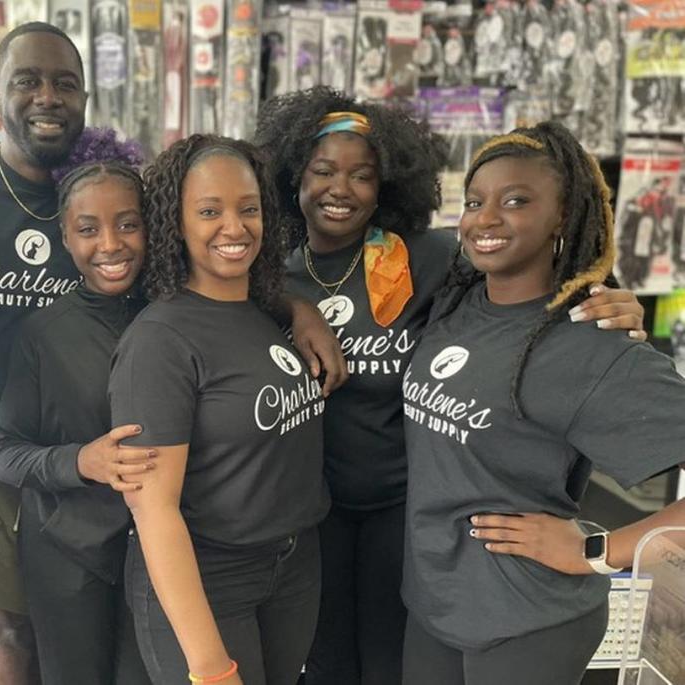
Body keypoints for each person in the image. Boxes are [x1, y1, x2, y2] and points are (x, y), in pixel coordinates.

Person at [0, 23, 343, 684]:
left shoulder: (155, 292)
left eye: (63, 83)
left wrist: (295, 304)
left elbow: (227, 269)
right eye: (27, 81)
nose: (110, 242)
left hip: (150, 530)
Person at [253, 86, 648, 685]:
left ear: (387, 186)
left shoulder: (427, 258)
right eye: (323, 171)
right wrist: (294, 306)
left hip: (406, 507)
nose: (341, 188)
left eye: (363, 175)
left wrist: (608, 296)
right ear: (291, 176)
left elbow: (530, 264)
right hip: (314, 507)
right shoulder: (267, 271)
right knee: (327, 663)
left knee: (391, 662)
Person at [400, 121, 685, 685]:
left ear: (563, 215)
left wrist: (598, 550)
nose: (485, 218)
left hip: (526, 621)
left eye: (516, 201)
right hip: (433, 606)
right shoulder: (457, 300)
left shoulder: (589, 344)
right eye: (475, 202)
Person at [109, 135, 331, 685]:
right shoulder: (159, 341)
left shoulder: (261, 312)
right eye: (209, 211)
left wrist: (299, 308)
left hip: (292, 568)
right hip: (208, 580)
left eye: (248, 209)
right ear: (175, 224)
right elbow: (153, 511)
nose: (234, 228)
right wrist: (208, 665)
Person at [0, 161, 151, 685]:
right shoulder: (41, 333)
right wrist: (81, 461)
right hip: (68, 555)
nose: (110, 244)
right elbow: (6, 452)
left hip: (156, 554)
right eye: (88, 229)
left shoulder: (172, 317)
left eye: (127, 224)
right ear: (65, 236)